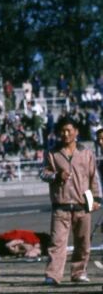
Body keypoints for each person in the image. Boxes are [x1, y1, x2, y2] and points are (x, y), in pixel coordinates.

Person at [39, 116, 100, 285]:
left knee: (83, 242)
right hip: (61, 205)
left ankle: (79, 273)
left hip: (83, 204)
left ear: (76, 132)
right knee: (57, 243)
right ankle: (53, 275)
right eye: (62, 131)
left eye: (69, 131)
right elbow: (43, 173)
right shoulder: (52, 153)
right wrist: (56, 176)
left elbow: (94, 177)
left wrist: (96, 199)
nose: (65, 134)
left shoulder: (86, 153)